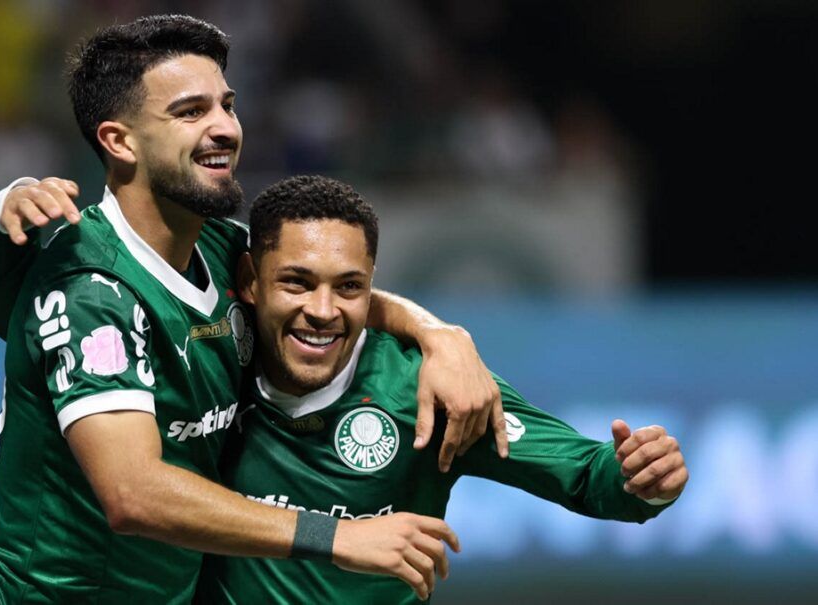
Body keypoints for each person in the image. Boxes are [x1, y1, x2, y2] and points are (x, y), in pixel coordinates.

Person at [0, 15, 505, 604]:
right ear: (119, 142)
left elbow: (328, 291)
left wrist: (440, 335)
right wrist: (337, 537)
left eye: (227, 105)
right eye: (191, 113)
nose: (226, 128)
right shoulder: (91, 289)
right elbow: (133, 494)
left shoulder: (220, 247)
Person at [193, 175, 689, 603]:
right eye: (297, 283)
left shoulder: (424, 390)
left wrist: (637, 480)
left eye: (348, 287)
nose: (324, 311)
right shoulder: (206, 360)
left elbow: (584, 474)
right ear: (250, 282)